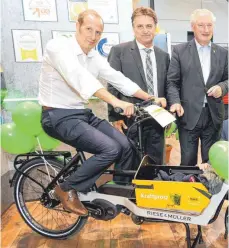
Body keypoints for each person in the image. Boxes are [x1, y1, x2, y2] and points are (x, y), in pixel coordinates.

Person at [39, 9, 165, 216]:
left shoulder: (92, 55)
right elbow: (80, 78)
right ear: (77, 27)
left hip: (80, 113)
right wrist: (117, 102)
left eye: (98, 32)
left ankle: (117, 195)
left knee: (125, 145)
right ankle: (65, 188)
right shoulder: (58, 47)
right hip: (57, 115)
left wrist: (149, 98)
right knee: (109, 149)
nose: (93, 36)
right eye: (89, 29)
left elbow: (117, 78)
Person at [108, 7, 169, 166]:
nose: (145, 31)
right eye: (140, 26)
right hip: (130, 120)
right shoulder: (119, 51)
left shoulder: (164, 56)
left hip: (156, 119)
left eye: (149, 26)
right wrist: (115, 117)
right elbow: (112, 85)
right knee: (128, 165)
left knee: (155, 165)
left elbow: (167, 87)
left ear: (155, 27)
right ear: (133, 28)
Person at [167, 9, 228, 166]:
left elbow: (228, 80)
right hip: (188, 115)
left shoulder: (223, 53)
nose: (206, 30)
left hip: (213, 116)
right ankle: (188, 189)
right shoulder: (179, 51)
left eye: (209, 25)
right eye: (201, 25)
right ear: (193, 26)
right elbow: (172, 81)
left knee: (212, 162)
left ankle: (212, 190)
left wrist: (222, 87)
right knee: (187, 162)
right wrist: (175, 101)